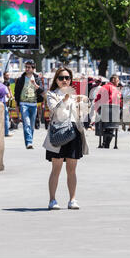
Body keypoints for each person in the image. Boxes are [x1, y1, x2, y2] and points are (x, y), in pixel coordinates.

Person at [43, 67, 89, 210]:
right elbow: (54, 110)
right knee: (56, 168)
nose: (64, 80)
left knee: (72, 169)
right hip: (58, 133)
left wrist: (84, 103)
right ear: (56, 80)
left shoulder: (76, 96)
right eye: (61, 78)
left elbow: (83, 115)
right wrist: (66, 98)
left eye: (67, 78)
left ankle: (72, 199)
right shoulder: (52, 94)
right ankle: (52, 200)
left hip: (73, 132)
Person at [14, 61, 44, 149]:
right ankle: (29, 142)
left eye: (29, 67)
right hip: (24, 104)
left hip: (33, 104)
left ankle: (30, 140)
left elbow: (42, 90)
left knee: (31, 125)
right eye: (26, 67)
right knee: (26, 123)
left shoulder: (37, 78)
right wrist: (17, 105)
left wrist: (34, 84)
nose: (27, 69)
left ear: (33, 69)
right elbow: (17, 92)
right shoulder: (21, 79)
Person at [94, 74, 122, 148]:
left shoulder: (103, 87)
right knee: (111, 127)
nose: (118, 82)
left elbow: (97, 99)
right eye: (117, 80)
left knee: (104, 125)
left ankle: (104, 142)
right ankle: (106, 144)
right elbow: (120, 102)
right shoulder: (117, 90)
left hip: (103, 112)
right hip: (114, 114)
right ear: (113, 80)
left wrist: (96, 109)